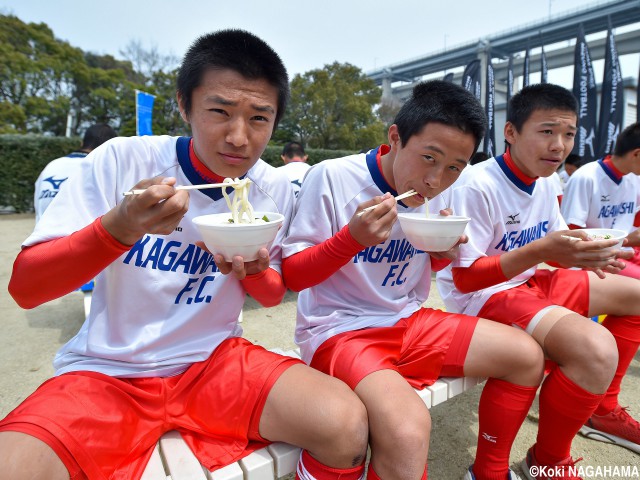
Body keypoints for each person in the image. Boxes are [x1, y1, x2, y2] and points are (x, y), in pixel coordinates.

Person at [2, 29, 369, 480]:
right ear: (184, 105)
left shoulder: (272, 187)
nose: (238, 137)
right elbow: (26, 287)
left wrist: (253, 272)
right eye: (220, 111)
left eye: (259, 118)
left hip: (214, 360)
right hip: (108, 371)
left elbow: (273, 293)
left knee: (344, 424)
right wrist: (119, 227)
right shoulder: (123, 160)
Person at [282, 80, 545, 480]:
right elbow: (295, 276)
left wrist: (440, 256)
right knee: (408, 432)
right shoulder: (334, 177)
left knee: (527, 356)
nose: (436, 180)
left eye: (455, 167)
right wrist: (350, 241)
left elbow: (428, 267)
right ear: (395, 138)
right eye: (428, 158)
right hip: (339, 329)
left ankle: (489, 472)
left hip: (410, 319)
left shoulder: (442, 193)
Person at [436, 84, 640, 479]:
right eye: (546, 132)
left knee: (636, 294)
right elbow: (464, 279)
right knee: (595, 349)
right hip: (487, 295)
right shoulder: (476, 184)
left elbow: (555, 241)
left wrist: (592, 250)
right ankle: (543, 461)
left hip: (531, 281)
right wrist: (545, 252)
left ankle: (602, 410)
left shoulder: (547, 179)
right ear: (510, 132)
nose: (559, 145)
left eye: (568, 134)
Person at [561, 122, 640, 279]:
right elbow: (572, 234)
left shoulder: (634, 177)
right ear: (637, 154)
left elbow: (636, 219)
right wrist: (625, 241)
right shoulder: (585, 177)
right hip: (595, 259)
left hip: (625, 250)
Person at [34, 123, 117, 222]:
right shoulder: (98, 168)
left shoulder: (52, 165)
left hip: (42, 233)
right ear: (108, 148)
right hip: (78, 235)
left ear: (82, 143)